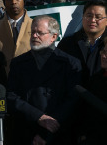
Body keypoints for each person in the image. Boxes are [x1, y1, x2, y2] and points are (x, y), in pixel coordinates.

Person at [7, 15, 81, 145]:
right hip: (26, 132)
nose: (34, 36)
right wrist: (38, 117)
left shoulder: (70, 64)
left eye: (40, 33)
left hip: (58, 134)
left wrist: (49, 129)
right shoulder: (18, 63)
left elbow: (72, 100)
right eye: (33, 32)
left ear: (54, 36)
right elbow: (11, 96)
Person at [57, 0, 107, 143]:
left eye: (98, 17)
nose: (92, 20)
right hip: (71, 116)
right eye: (88, 15)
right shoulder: (67, 44)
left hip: (101, 118)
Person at [0, 0, 32, 86]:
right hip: (2, 86)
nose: (13, 2)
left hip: (30, 85)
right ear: (4, 2)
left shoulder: (37, 27)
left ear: (24, 0)